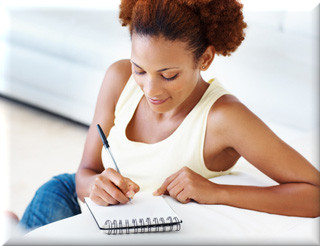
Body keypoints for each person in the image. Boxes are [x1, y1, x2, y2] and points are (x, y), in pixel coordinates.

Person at [17, 0, 320, 231]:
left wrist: (215, 191)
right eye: (140, 69)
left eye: (169, 75)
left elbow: (313, 193)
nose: (151, 90)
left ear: (205, 58)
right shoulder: (118, 76)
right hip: (69, 202)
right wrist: (96, 185)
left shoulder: (223, 117)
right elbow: (84, 173)